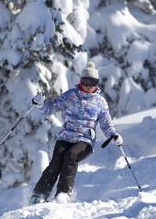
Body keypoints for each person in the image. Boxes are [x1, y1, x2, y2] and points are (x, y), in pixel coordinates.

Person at [29, 62, 123, 204]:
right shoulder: (70, 96)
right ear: (81, 81)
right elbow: (51, 108)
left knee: (71, 155)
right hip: (66, 136)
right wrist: (41, 104)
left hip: (85, 140)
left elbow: (106, 123)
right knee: (56, 162)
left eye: (92, 82)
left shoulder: (100, 102)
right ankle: (39, 194)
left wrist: (113, 135)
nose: (88, 85)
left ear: (96, 84)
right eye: (85, 81)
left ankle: (63, 193)